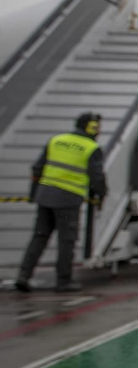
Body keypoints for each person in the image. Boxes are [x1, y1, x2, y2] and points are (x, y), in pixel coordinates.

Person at [15, 111, 106, 293]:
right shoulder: (91, 147)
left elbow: (37, 168)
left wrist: (34, 193)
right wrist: (101, 195)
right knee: (67, 241)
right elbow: (96, 177)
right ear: (92, 128)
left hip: (45, 196)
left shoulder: (56, 140)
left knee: (39, 237)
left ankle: (24, 276)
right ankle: (63, 280)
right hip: (68, 199)